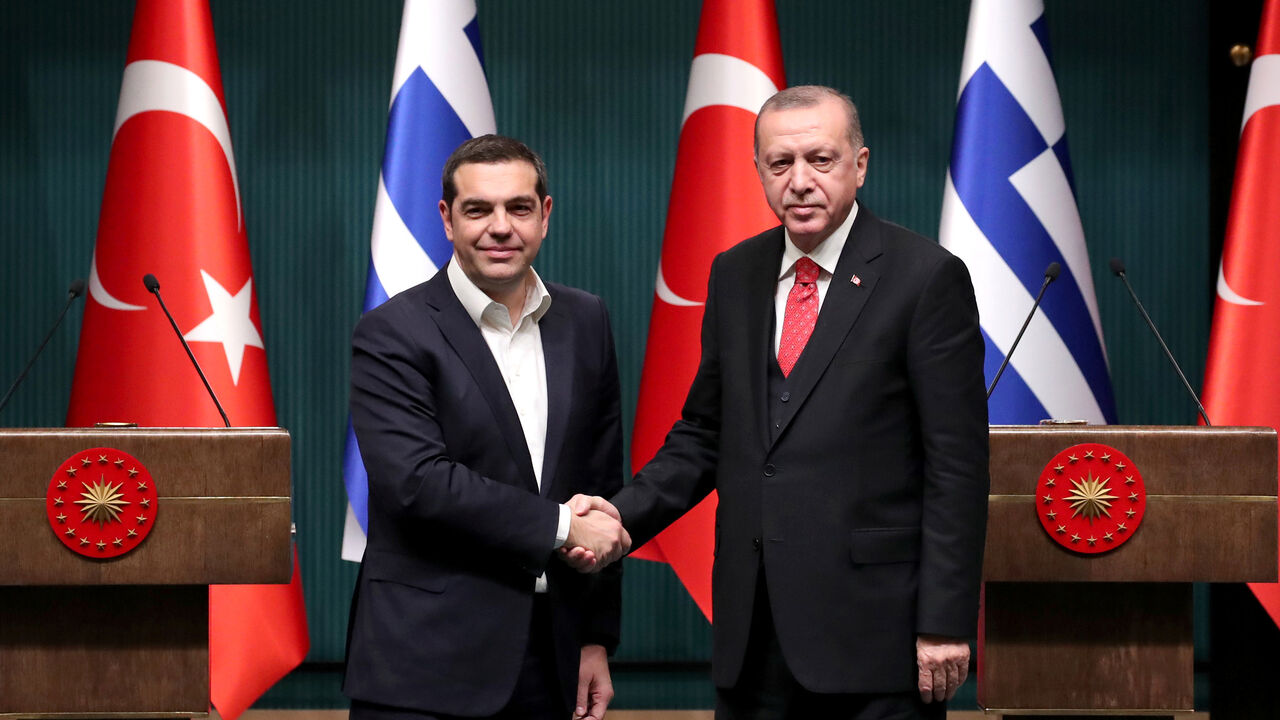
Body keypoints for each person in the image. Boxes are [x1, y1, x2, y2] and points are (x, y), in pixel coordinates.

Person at [571, 86, 989, 719]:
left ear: (861, 164)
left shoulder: (926, 276)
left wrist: (945, 621)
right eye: (780, 163)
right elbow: (705, 434)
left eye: (820, 160)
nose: (799, 181)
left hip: (876, 638)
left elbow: (957, 466)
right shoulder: (734, 272)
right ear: (759, 171)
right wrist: (620, 520)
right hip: (751, 635)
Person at [344, 134, 630, 720]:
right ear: (447, 219)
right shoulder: (391, 333)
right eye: (478, 209)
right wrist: (561, 523)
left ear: (545, 216)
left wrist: (596, 636)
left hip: (552, 661)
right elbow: (417, 483)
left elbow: (600, 486)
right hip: (425, 665)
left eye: (519, 208)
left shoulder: (587, 320)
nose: (501, 227)